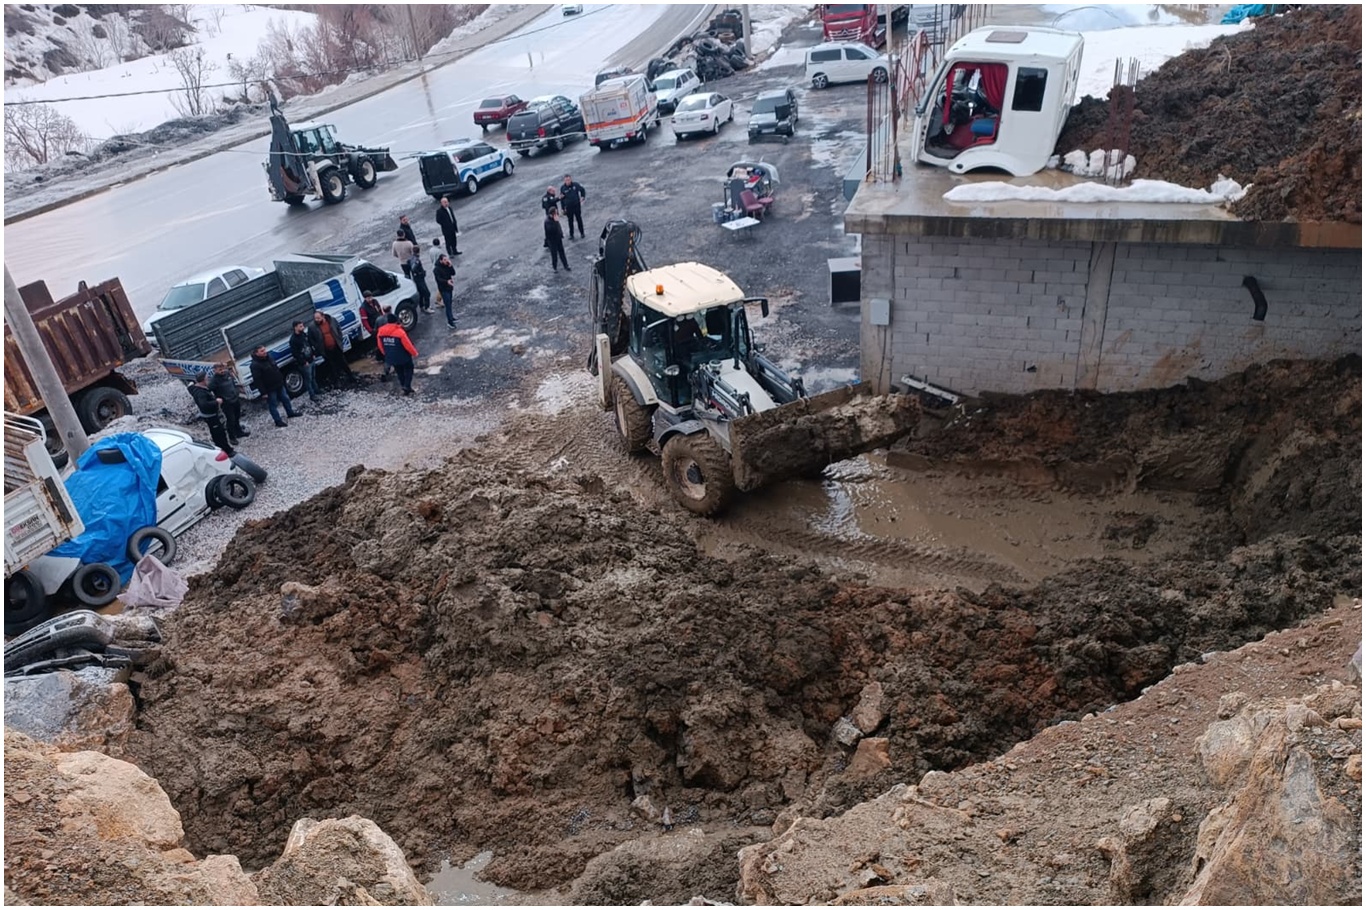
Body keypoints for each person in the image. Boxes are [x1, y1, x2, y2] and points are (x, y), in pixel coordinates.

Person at [249, 345, 301, 428]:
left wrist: (281, 379)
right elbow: (257, 380)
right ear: (256, 353)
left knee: (286, 399)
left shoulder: (269, 357)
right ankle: (278, 421)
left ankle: (290, 413)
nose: (265, 352)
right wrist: (263, 392)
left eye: (264, 350)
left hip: (279, 384)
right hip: (269, 389)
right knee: (273, 405)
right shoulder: (254, 365)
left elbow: (276, 368)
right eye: (262, 351)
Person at [188, 371, 235, 455]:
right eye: (207, 379)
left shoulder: (193, 388)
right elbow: (204, 405)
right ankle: (227, 451)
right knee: (219, 434)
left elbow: (190, 385)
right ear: (202, 381)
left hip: (209, 415)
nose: (208, 380)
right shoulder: (201, 393)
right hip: (211, 416)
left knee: (217, 432)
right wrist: (216, 402)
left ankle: (222, 449)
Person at [312, 309, 357, 389]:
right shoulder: (312, 327)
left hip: (336, 346)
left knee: (343, 362)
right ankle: (337, 381)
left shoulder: (331, 320)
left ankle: (351, 376)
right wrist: (318, 347)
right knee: (332, 366)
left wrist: (339, 338)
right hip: (326, 350)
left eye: (318, 318)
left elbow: (338, 328)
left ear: (323, 316)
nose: (316, 320)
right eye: (315, 318)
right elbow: (311, 339)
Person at [208, 361, 249, 444]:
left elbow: (233, 384)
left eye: (223, 369)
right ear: (215, 371)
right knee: (231, 420)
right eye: (220, 370)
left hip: (235, 399)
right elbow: (208, 391)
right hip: (227, 403)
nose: (222, 371)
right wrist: (216, 400)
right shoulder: (214, 380)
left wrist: (237, 392)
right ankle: (232, 437)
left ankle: (239, 432)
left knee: (237, 416)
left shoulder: (228, 374)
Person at [377, 317, 419, 396]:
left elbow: (380, 345)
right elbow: (408, 345)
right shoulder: (399, 332)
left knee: (399, 371)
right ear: (396, 322)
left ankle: (404, 386)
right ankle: (407, 386)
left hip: (391, 357)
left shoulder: (380, 332)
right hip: (403, 356)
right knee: (409, 369)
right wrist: (414, 353)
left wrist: (386, 353)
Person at [288, 319, 321, 401]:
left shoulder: (303, 334)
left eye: (302, 326)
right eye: (300, 326)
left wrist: (313, 354)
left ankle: (316, 390)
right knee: (308, 379)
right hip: (305, 363)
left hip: (311, 359)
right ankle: (312, 395)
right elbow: (295, 353)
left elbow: (309, 344)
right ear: (295, 327)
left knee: (313, 376)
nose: (303, 327)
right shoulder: (293, 340)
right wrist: (303, 362)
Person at [559, 173, 587, 240]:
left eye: (568, 180)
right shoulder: (562, 188)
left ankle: (582, 233)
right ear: (564, 181)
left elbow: (582, 190)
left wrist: (583, 197)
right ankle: (571, 235)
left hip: (576, 205)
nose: (567, 181)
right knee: (570, 221)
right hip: (569, 207)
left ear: (571, 179)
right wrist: (563, 208)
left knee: (579, 219)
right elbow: (561, 199)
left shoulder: (576, 185)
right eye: (566, 180)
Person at [434, 252, 457, 328]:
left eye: (446, 259)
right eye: (444, 260)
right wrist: (446, 282)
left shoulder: (447, 265)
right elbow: (438, 279)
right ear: (440, 260)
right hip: (443, 289)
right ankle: (450, 322)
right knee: (448, 305)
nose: (446, 261)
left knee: (449, 303)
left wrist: (451, 266)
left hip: (449, 287)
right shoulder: (436, 269)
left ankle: (451, 318)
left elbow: (453, 273)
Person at [544, 207, 570, 272]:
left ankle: (566, 265)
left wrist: (561, 234)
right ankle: (554, 267)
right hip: (552, 240)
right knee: (554, 254)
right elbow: (551, 230)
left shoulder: (554, 219)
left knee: (562, 252)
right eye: (555, 212)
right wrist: (555, 222)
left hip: (558, 238)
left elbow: (558, 228)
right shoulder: (548, 222)